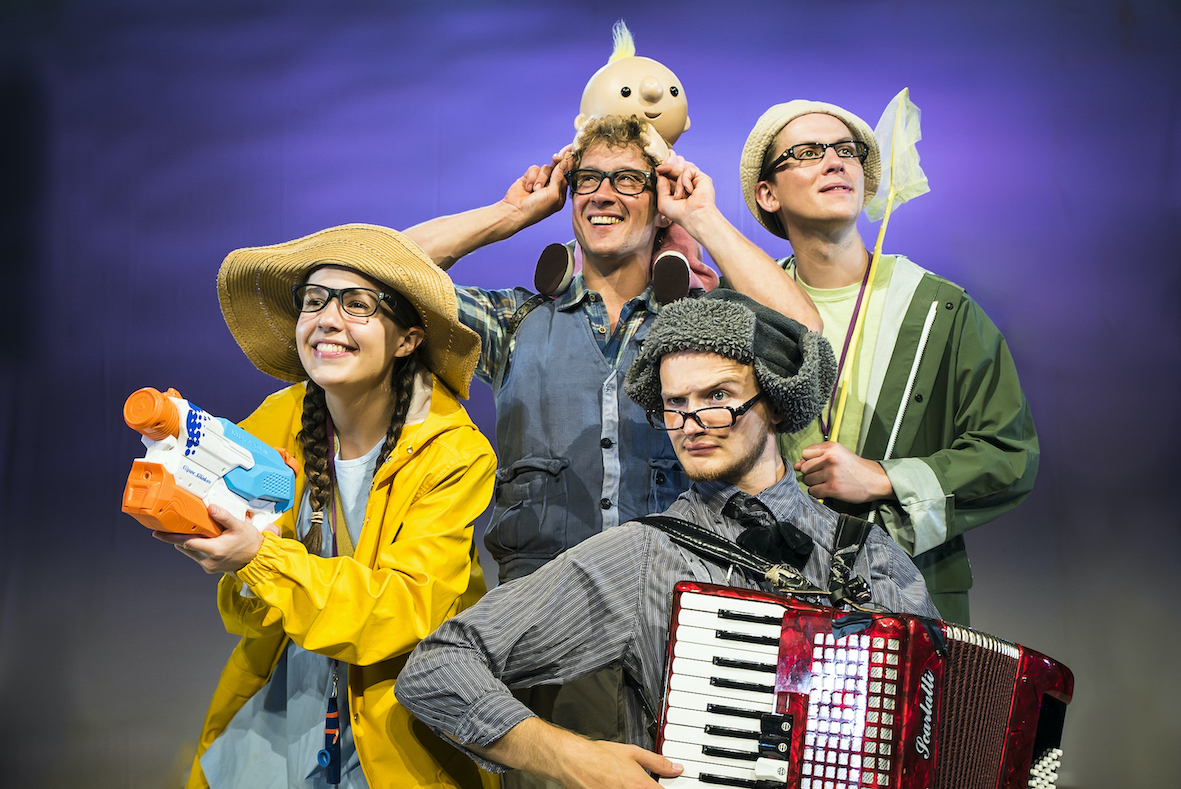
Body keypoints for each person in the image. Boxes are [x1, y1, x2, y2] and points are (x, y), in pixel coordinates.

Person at [402, 114, 820, 782]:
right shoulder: (515, 321)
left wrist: (701, 215)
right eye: (587, 181)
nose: (602, 193)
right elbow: (386, 270)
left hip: (691, 637)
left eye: (627, 180)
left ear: (659, 202)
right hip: (546, 642)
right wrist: (510, 214)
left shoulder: (697, 329)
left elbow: (803, 341)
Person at [394, 290, 939, 789]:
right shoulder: (644, 554)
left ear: (774, 402)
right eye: (675, 403)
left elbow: (938, 725)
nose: (692, 422)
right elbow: (437, 668)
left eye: (717, 395)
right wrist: (575, 758)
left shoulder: (868, 554)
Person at [155, 224, 497, 789]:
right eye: (314, 301)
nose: (327, 319)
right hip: (281, 724)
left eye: (357, 304)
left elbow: (405, 613)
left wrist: (260, 559)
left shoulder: (454, 453)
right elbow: (244, 617)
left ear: (408, 340)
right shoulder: (277, 421)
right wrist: (198, 509)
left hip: (397, 733)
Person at [739, 100, 1039, 624]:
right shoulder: (739, 308)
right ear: (767, 193)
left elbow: (1009, 456)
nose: (835, 162)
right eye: (808, 152)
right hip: (764, 594)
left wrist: (883, 477)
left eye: (846, 150)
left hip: (905, 600)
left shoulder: (941, 309)